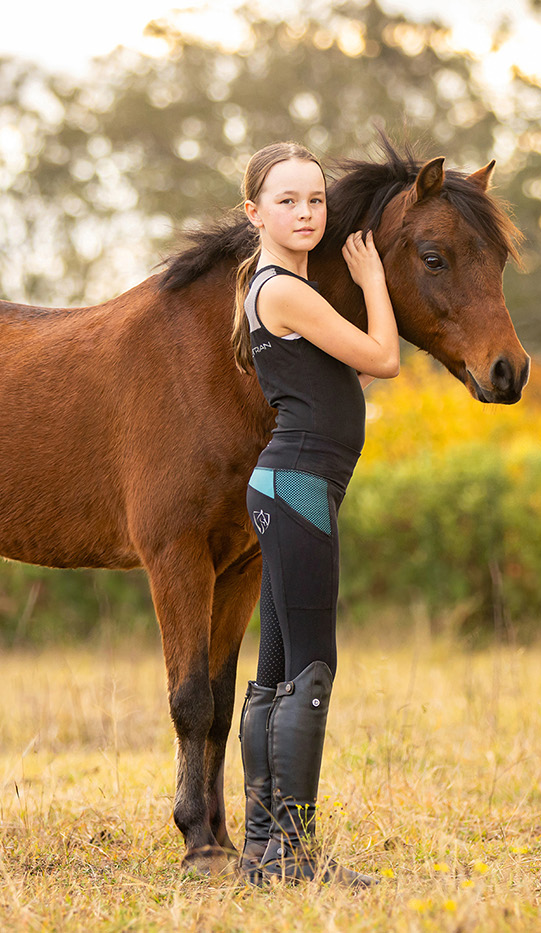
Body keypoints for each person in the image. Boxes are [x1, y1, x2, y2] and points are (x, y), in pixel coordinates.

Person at [233, 141, 400, 886]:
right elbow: (381, 358)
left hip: (288, 488)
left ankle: (263, 850)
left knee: (273, 674)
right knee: (311, 670)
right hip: (297, 486)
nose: (306, 213)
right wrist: (372, 279)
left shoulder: (279, 285)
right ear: (254, 214)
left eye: (316, 201)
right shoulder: (287, 291)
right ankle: (293, 856)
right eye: (288, 201)